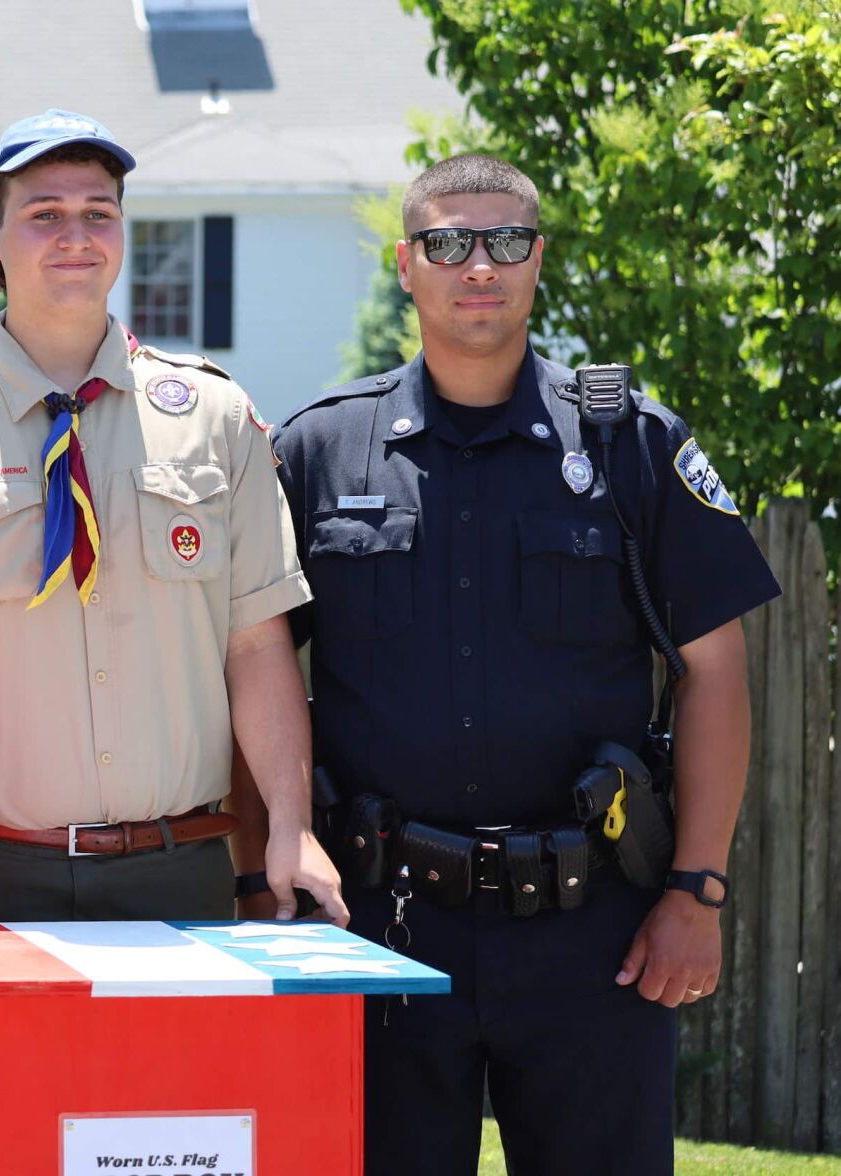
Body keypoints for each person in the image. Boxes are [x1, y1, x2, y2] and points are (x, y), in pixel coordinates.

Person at [274, 154, 780, 1176]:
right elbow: (258, 672)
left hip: (591, 933)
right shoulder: (320, 451)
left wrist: (697, 890)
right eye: (447, 243)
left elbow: (714, 672)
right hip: (377, 924)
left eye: (504, 241)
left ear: (535, 260)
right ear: (404, 265)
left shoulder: (630, 443)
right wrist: (269, 865)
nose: (477, 266)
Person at [0, 109, 345, 940]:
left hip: (178, 871)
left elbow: (257, 645)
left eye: (98, 212)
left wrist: (290, 825)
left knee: (174, 1080)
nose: (75, 235)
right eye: (43, 214)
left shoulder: (215, 417)